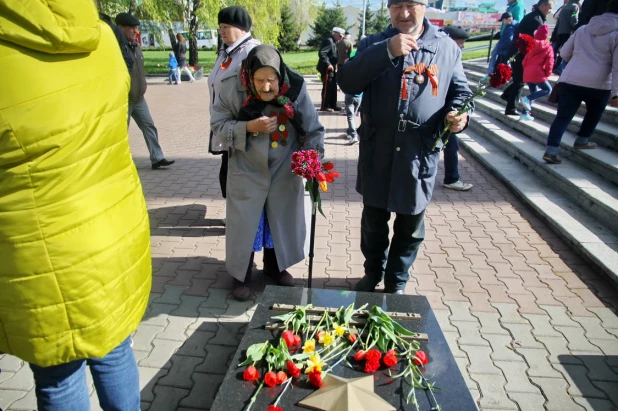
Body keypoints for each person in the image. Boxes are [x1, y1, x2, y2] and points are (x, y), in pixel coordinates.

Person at [0, 1, 152, 410]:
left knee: (58, 374)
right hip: (112, 230)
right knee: (114, 348)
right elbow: (131, 93)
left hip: (42, 256)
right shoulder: (102, 36)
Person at [337, 0, 473, 294]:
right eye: (397, 5)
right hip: (378, 148)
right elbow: (347, 81)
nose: (405, 13)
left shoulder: (446, 47)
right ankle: (373, 272)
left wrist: (460, 114)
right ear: (389, 9)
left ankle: (396, 280)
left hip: (418, 151)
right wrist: (386, 52)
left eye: (412, 5)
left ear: (425, 7)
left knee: (411, 224)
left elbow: (460, 91)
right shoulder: (373, 43)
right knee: (373, 220)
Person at [211, 45, 325, 300]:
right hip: (246, 167)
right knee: (247, 223)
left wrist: (312, 158)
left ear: (280, 75)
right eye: (259, 80)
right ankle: (241, 275)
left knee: (279, 219)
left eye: (271, 80)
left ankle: (275, 268)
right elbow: (218, 125)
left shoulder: (294, 85)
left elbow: (313, 129)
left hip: (284, 166)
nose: (265, 88)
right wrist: (249, 126)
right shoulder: (231, 87)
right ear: (249, 76)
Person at [543, 0, 618, 163]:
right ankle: (583, 139)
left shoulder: (583, 29)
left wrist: (578, 60)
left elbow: (563, 52)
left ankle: (551, 150)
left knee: (562, 117)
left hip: (571, 80)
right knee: (594, 112)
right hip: (599, 83)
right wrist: (616, 93)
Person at [208, 6, 260, 221]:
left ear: (240, 29)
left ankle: (242, 220)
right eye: (220, 27)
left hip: (245, 128)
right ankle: (235, 215)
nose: (221, 32)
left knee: (239, 175)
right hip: (226, 124)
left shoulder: (252, 52)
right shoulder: (226, 51)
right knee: (228, 173)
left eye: (226, 27)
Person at [116, 13, 175, 169]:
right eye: (131, 28)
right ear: (120, 27)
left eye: (136, 28)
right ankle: (118, 163)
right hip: (123, 99)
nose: (135, 31)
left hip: (139, 98)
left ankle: (157, 157)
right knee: (120, 133)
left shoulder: (135, 47)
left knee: (149, 126)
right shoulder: (116, 48)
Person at [502, 0, 554, 116]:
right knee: (519, 81)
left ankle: (507, 96)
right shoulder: (536, 20)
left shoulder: (534, 17)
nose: (550, 11)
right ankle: (511, 108)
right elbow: (533, 42)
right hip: (519, 53)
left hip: (518, 52)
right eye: (549, 8)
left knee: (519, 80)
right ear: (542, 6)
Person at [441, 25, 475, 192]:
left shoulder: (453, 58)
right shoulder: (440, 55)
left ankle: (452, 177)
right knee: (451, 146)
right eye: (460, 43)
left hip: (450, 112)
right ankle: (452, 178)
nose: (462, 47)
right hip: (440, 112)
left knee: (451, 145)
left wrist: (458, 110)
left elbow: (462, 91)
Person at [520, 25, 554, 120]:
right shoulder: (548, 47)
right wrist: (547, 74)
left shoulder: (530, 46)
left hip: (527, 72)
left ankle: (524, 113)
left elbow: (524, 61)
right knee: (548, 90)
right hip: (538, 72)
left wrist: (527, 70)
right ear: (546, 36)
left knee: (533, 92)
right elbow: (549, 64)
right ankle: (526, 99)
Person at [318, 27, 345, 112]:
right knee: (327, 87)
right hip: (327, 69)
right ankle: (325, 106)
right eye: (340, 36)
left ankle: (333, 104)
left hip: (332, 67)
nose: (341, 38)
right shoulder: (328, 41)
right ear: (336, 34)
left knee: (333, 87)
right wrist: (328, 64)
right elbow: (322, 53)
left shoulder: (333, 41)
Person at [553, 0, 580, 73]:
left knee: (556, 49)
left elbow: (558, 20)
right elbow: (573, 19)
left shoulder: (565, 6)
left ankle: (554, 66)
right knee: (565, 51)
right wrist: (576, 28)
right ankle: (559, 68)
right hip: (568, 32)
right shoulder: (575, 6)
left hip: (560, 31)